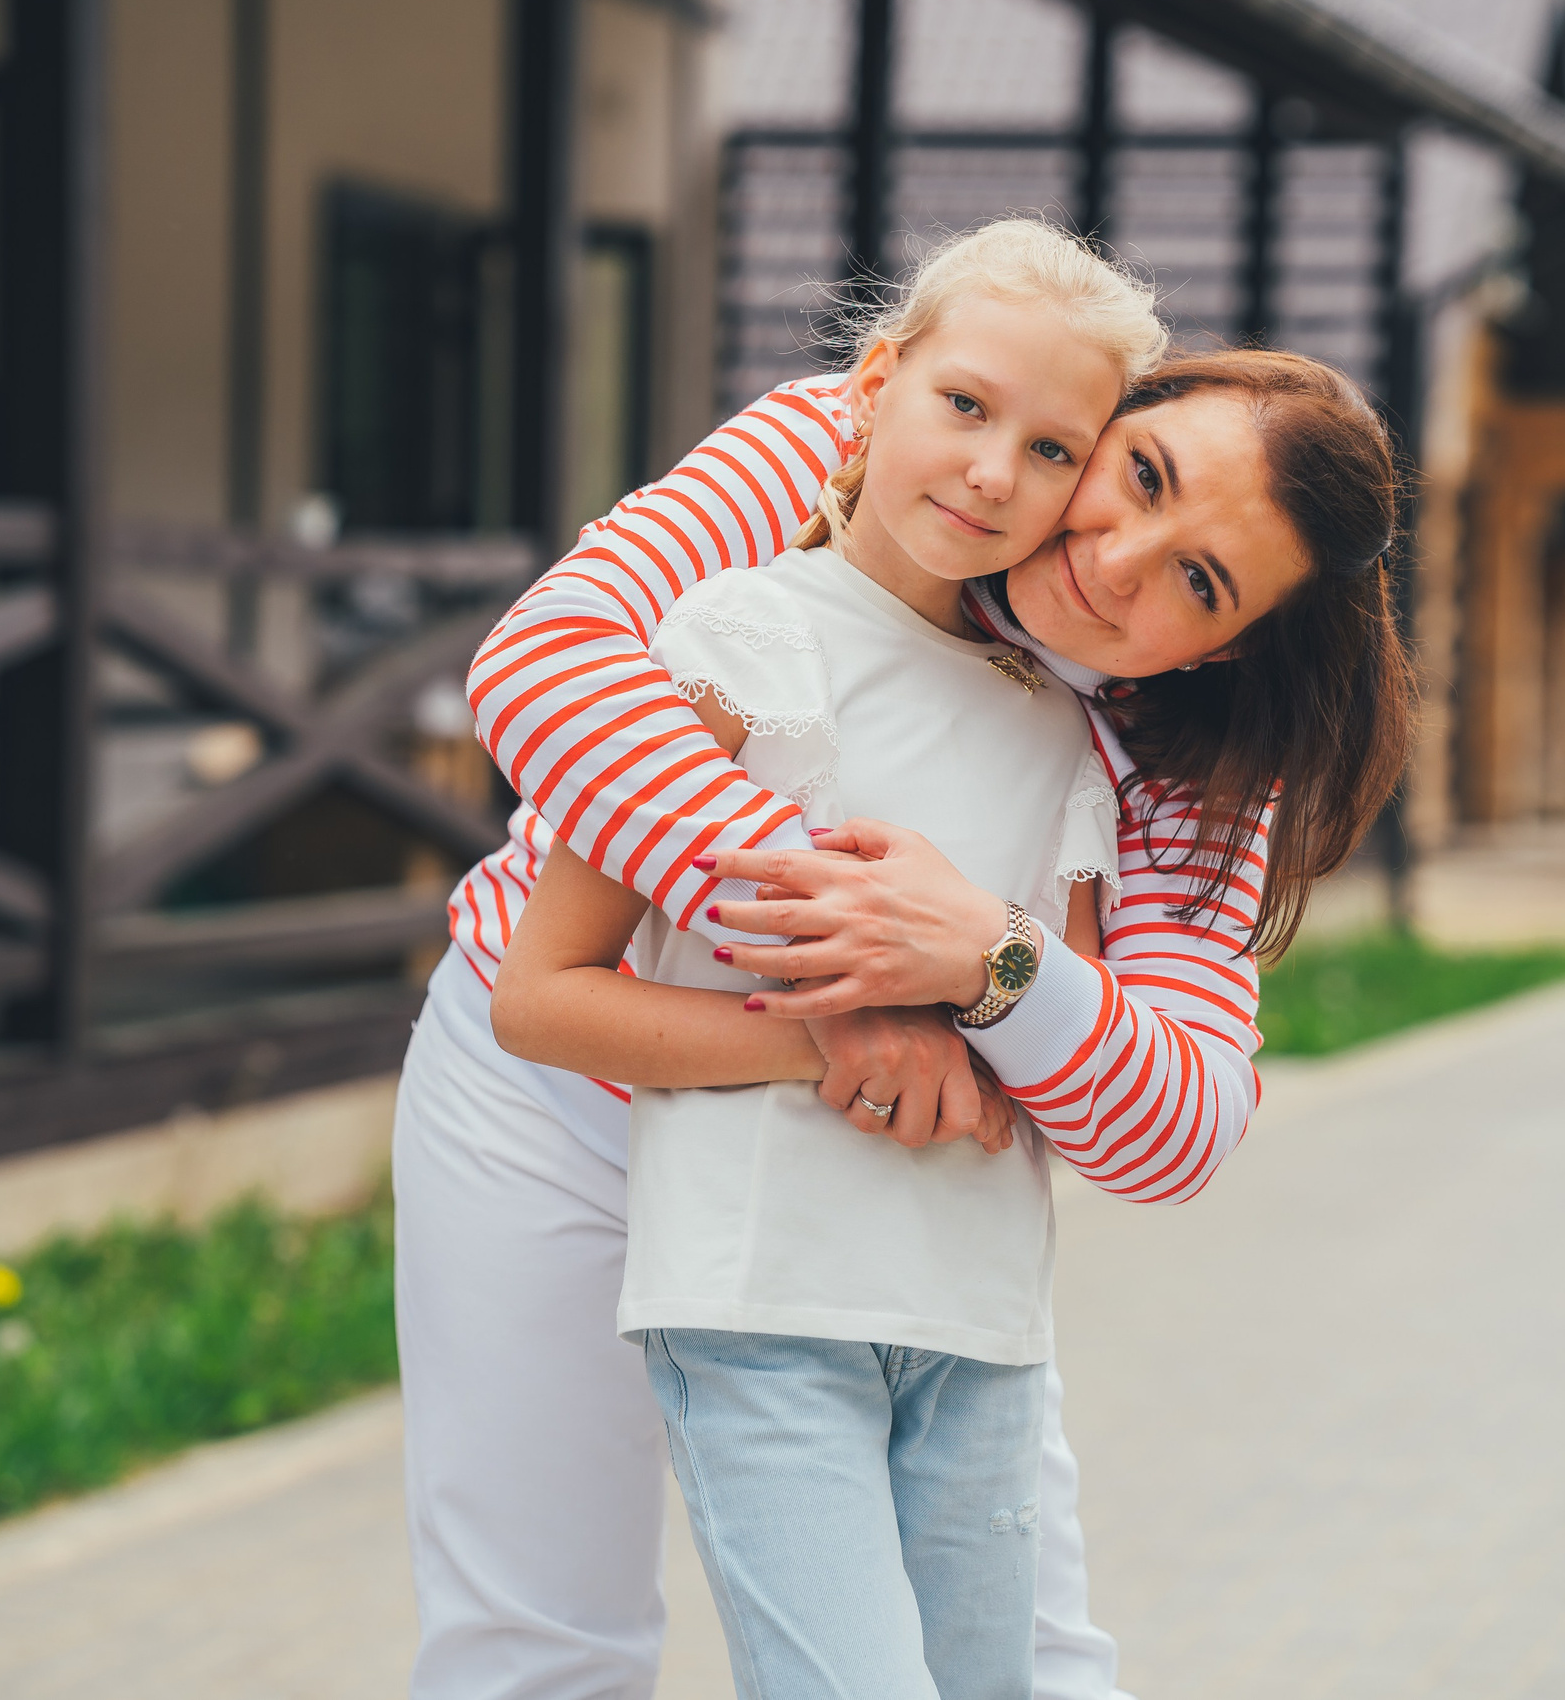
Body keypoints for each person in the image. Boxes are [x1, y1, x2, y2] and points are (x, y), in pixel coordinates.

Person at [395, 232, 1413, 1698]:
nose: (1113, 562)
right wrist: (858, 974)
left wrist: (990, 963)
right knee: (539, 1630)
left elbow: (1183, 1118)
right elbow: (549, 662)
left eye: (1198, 579)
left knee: (1024, 1653)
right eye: (1138, 475)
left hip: (876, 1194)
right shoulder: (883, 433)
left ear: (1232, 644)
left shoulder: (1199, 770)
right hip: (568, 1106)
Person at [490, 219, 1151, 1697]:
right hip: (759, 1304)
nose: (993, 470)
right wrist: (825, 1038)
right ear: (875, 382)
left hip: (979, 1325)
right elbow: (544, 997)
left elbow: (1072, 1045)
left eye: (1054, 450)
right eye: (966, 406)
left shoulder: (1058, 727)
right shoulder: (736, 639)